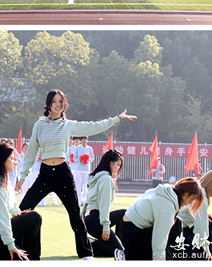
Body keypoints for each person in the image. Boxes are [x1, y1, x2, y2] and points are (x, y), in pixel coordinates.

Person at [15, 89, 137, 259]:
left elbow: (94, 126)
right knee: (22, 210)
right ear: (48, 104)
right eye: (55, 101)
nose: (58, 105)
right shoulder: (39, 125)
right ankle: (13, 249)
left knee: (75, 215)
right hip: (45, 174)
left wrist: (117, 119)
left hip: (63, 173)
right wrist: (23, 176)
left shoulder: (68, 125)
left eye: (61, 101)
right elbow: (31, 153)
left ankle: (86, 254)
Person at [0, 143, 42, 260]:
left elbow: (12, 203)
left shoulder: (5, 180)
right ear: (2, 160)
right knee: (19, 259)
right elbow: (2, 216)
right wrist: (11, 245)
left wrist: (17, 212)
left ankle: (33, 259)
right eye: (11, 158)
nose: (15, 162)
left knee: (34, 217)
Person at [117, 177, 203, 261]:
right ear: (185, 194)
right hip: (132, 234)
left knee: (177, 224)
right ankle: (127, 257)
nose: (191, 203)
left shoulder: (166, 192)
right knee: (161, 247)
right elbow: (159, 240)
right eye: (193, 199)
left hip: (128, 227)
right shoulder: (167, 206)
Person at [81, 149, 126, 258]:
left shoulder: (96, 177)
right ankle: (91, 244)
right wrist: (106, 226)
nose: (119, 168)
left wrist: (82, 220)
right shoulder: (106, 179)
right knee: (119, 251)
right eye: (118, 165)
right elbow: (104, 204)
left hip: (90, 219)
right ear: (111, 163)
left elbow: (87, 201)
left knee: (124, 213)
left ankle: (94, 244)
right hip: (95, 220)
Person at [175, 169, 212, 260]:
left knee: (211, 223)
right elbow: (200, 231)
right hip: (179, 232)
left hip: (179, 228)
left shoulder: (197, 191)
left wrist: (205, 214)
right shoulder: (201, 198)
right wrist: (206, 250)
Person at [75, 136, 94, 204]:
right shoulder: (77, 148)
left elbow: (92, 158)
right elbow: (75, 158)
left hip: (86, 169)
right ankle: (79, 200)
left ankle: (85, 199)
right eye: (83, 139)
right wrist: (80, 160)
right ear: (81, 140)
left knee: (85, 185)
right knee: (78, 185)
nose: (84, 141)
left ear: (87, 140)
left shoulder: (89, 148)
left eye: (85, 139)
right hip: (79, 169)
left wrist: (88, 160)